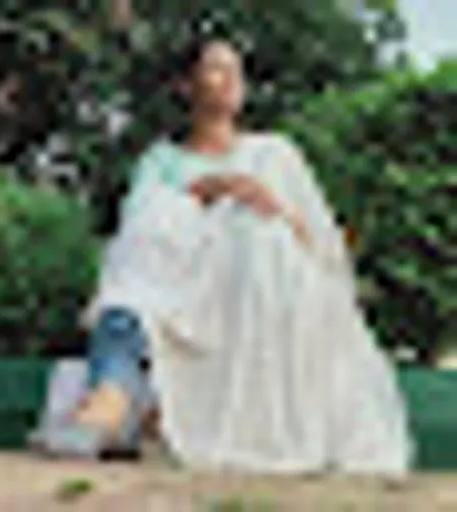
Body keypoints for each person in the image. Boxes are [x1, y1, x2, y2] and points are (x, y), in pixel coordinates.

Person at [39, 26, 413, 477]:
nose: (232, 78)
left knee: (260, 236)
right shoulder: (162, 161)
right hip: (176, 289)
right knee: (130, 297)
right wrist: (215, 188)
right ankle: (108, 407)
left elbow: (314, 244)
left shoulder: (275, 154)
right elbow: (139, 235)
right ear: (186, 86)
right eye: (216, 68)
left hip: (249, 297)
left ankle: (125, 414)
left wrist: (266, 209)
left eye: (237, 70)